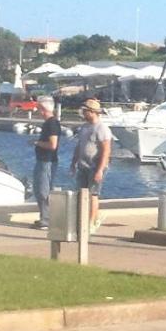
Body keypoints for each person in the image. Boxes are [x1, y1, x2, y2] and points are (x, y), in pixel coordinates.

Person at [70, 98, 113, 235]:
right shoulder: (84, 127)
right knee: (81, 193)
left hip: (95, 165)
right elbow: (79, 146)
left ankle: (91, 222)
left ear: (92, 112)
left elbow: (106, 150)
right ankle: (81, 220)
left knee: (93, 194)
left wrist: (100, 170)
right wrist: (73, 162)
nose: (83, 113)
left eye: (85, 111)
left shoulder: (102, 128)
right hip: (83, 165)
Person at [31, 95, 61, 230]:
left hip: (47, 161)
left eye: (38, 108)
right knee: (39, 189)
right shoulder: (48, 123)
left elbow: (53, 145)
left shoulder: (52, 123)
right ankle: (44, 217)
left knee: (44, 190)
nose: (37, 111)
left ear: (43, 109)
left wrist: (37, 143)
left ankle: (47, 219)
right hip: (42, 160)